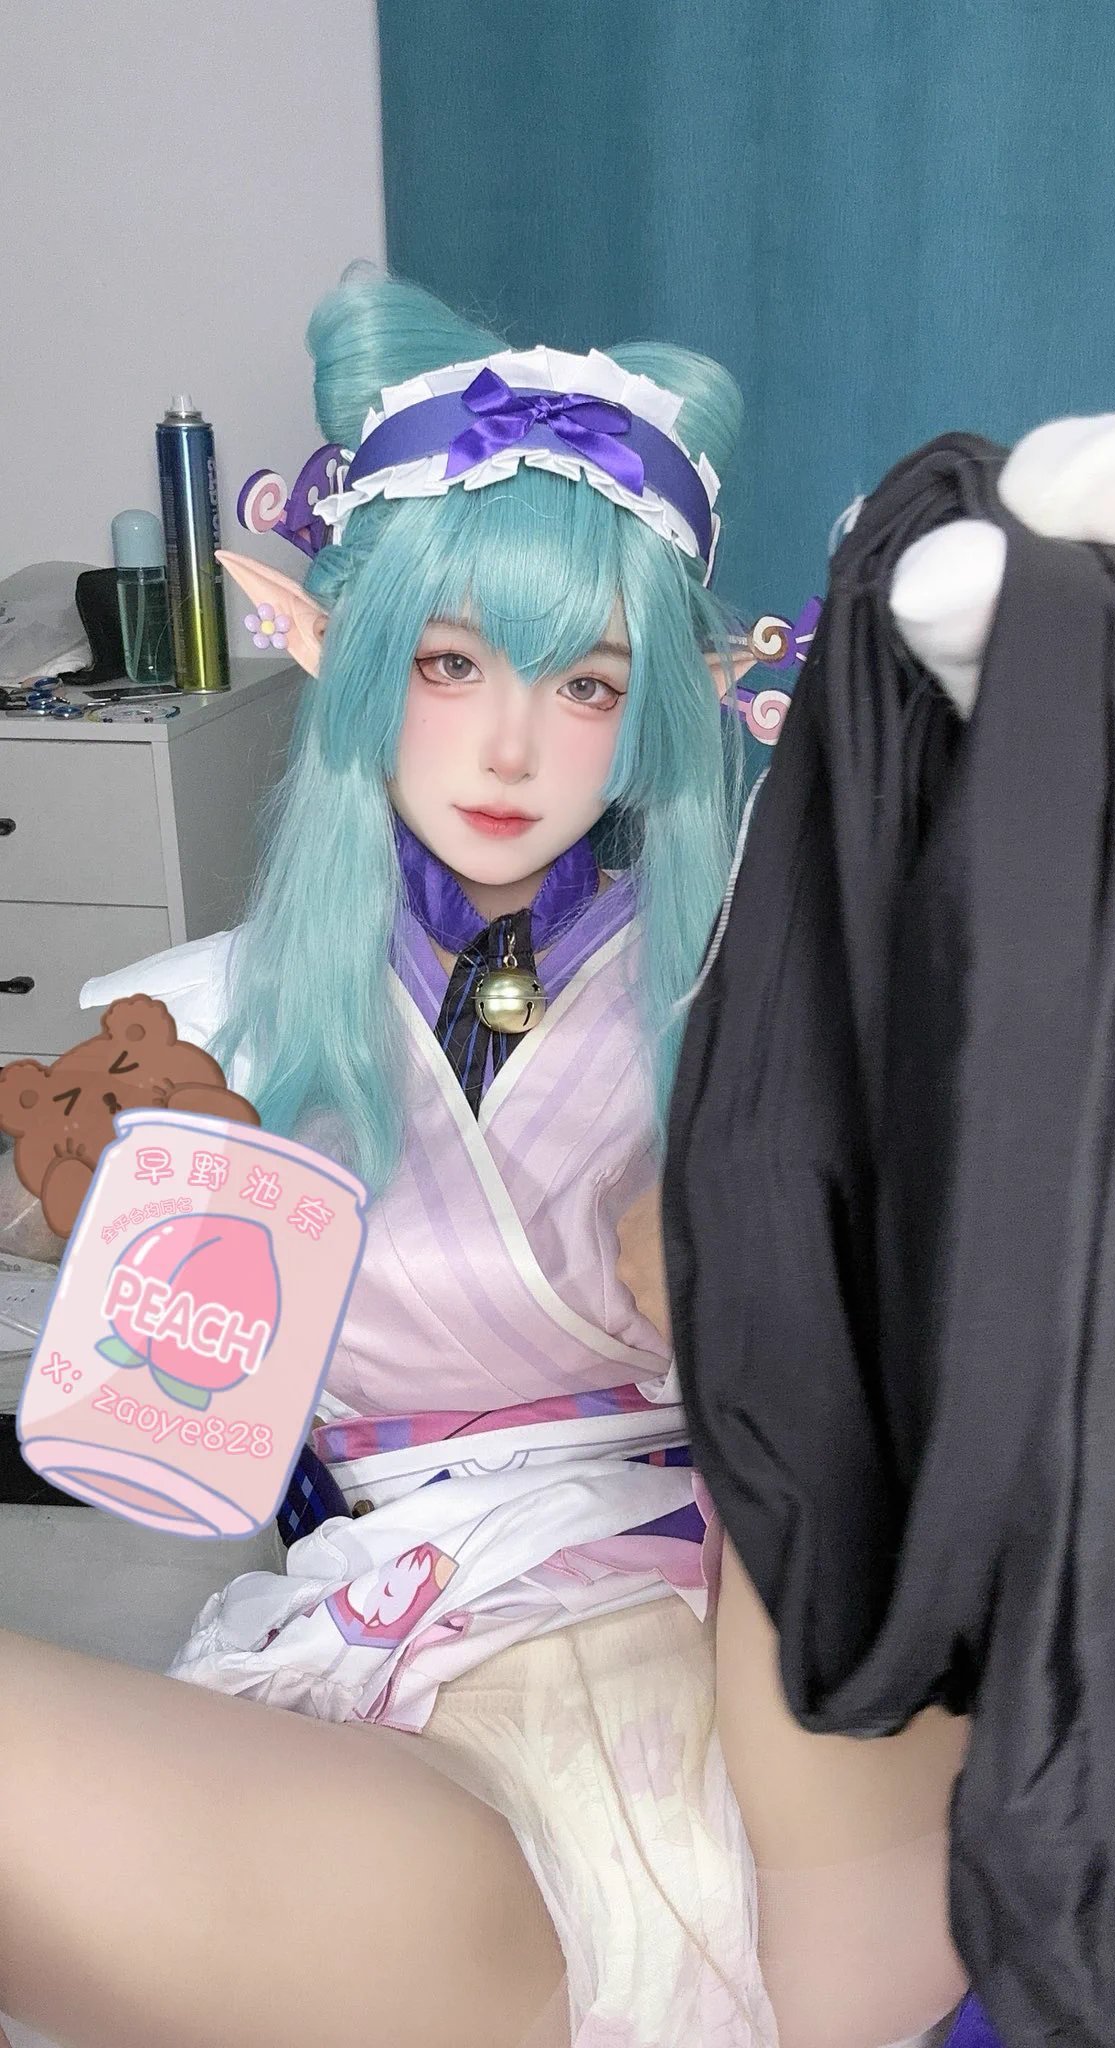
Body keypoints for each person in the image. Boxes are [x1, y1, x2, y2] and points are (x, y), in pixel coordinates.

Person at [0, 271, 965, 2048]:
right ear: (345, 650)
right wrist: (118, 1235)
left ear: (666, 702)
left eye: (585, 682)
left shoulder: (743, 989)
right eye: (451, 663)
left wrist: (751, 1260)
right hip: (387, 1657)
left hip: (711, 1631)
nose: (512, 747)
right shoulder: (206, 1020)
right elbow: (164, 1430)